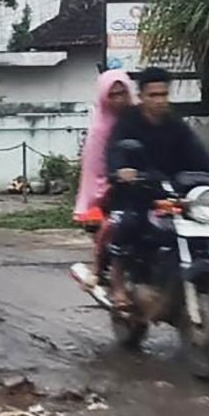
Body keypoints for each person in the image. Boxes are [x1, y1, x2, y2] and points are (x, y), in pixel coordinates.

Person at [103, 67, 209, 309]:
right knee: (129, 222)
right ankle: (117, 281)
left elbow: (198, 156)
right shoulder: (127, 123)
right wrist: (121, 171)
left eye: (164, 94)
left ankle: (186, 278)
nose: (159, 100)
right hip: (136, 192)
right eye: (153, 95)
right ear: (142, 95)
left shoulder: (175, 125)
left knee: (205, 223)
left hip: (172, 191)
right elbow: (115, 153)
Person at [72, 69, 135, 290]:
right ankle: (100, 270)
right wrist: (111, 185)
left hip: (143, 186)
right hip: (110, 193)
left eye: (122, 93)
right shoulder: (100, 129)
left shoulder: (138, 119)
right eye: (113, 95)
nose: (119, 99)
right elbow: (95, 169)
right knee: (113, 226)